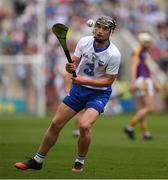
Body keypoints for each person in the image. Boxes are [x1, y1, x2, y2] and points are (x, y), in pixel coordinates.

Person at [14, 16, 121, 172]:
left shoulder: (114, 54)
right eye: (98, 27)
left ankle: (79, 161)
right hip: (78, 90)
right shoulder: (84, 42)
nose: (100, 31)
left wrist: (83, 80)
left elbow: (108, 81)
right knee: (56, 124)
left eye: (105, 29)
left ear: (111, 32)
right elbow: (74, 64)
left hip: (98, 94)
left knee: (84, 125)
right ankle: (37, 161)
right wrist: (70, 68)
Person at [124, 32, 161, 140]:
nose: (149, 44)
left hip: (144, 80)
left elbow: (146, 69)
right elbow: (133, 67)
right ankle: (130, 126)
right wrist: (133, 82)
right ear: (143, 42)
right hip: (143, 81)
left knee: (141, 109)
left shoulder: (143, 52)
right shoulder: (138, 51)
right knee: (150, 108)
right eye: (147, 42)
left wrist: (154, 83)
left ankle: (146, 132)